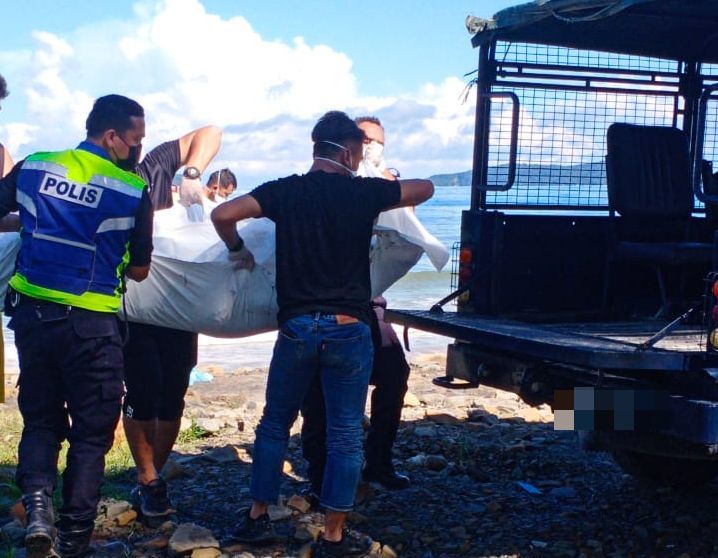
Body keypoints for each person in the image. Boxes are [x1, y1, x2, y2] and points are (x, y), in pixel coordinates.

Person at [212, 110, 433, 557]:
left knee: (274, 424)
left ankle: (256, 518)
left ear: (315, 147)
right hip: (350, 330)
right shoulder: (362, 192)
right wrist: (384, 179)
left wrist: (238, 250)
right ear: (350, 152)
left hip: (296, 328)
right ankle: (333, 534)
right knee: (346, 433)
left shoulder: (285, 190)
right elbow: (425, 189)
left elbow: (223, 213)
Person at [0, 94, 153, 558]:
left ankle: (39, 513)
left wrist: (31, 224)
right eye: (135, 140)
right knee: (91, 433)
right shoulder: (130, 189)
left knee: (41, 422)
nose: (137, 149)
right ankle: (74, 539)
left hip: (34, 319)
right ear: (111, 136)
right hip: (92, 327)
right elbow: (141, 270)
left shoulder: (35, 166)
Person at [301, 116, 413, 495]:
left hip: (371, 305)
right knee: (317, 391)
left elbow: (410, 230)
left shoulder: (381, 185)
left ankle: (378, 460)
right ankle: (318, 472)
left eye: (379, 141)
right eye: (366, 140)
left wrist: (389, 184)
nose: (372, 147)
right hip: (325, 308)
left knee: (394, 374)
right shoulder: (330, 186)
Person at [121, 125, 222, 527]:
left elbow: (210, 132)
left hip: (180, 311)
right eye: (132, 138)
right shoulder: (106, 181)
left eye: (140, 139)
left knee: (174, 394)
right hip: (133, 310)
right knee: (142, 393)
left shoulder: (154, 168)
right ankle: (146, 478)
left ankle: (154, 476)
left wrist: (193, 174)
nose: (137, 146)